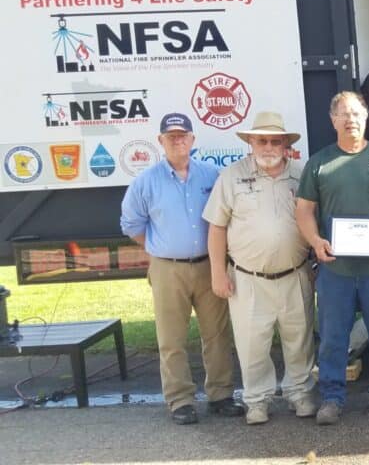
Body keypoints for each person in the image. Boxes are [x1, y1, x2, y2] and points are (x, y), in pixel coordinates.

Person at [120, 112, 245, 425]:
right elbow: (132, 225)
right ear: (160, 141)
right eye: (170, 136)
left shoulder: (213, 175)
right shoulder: (145, 182)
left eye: (183, 135)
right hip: (167, 269)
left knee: (216, 334)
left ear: (193, 140)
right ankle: (180, 400)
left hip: (209, 265)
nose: (177, 140)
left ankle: (220, 395)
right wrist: (161, 248)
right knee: (171, 338)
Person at [295, 91, 369, 424]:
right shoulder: (320, 162)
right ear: (333, 120)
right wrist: (316, 240)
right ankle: (332, 398)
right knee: (333, 337)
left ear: (366, 117)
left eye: (357, 113)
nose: (351, 120)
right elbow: (304, 209)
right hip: (336, 269)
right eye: (343, 114)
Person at [203, 111, 316, 425]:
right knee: (253, 343)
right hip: (248, 278)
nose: (268, 146)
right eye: (261, 140)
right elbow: (216, 228)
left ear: (284, 144)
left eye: (274, 141)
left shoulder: (301, 173)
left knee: (300, 337)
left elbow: (316, 219)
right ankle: (256, 400)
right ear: (250, 142)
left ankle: (300, 393)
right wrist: (217, 272)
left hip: (296, 272)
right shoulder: (231, 176)